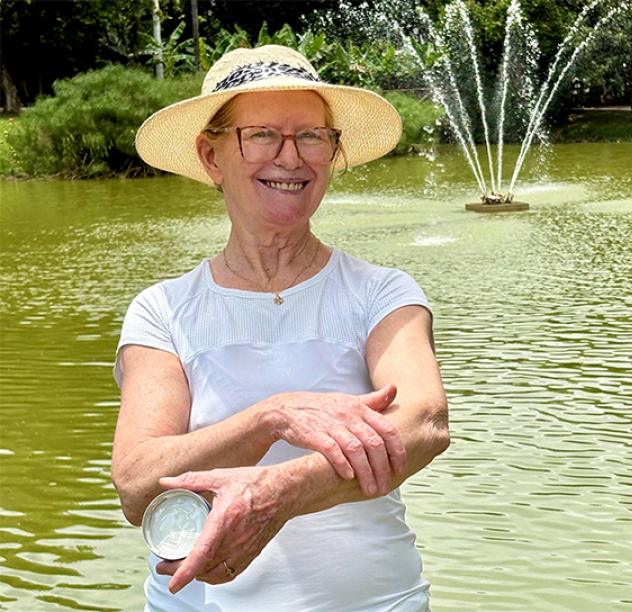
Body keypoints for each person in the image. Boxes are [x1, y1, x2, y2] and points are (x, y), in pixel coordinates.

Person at [111, 45, 450, 611]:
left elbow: (423, 425)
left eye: (313, 136)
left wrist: (274, 495)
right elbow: (137, 481)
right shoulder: (161, 311)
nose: (291, 158)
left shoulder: (382, 292)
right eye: (262, 134)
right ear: (211, 156)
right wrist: (273, 416)